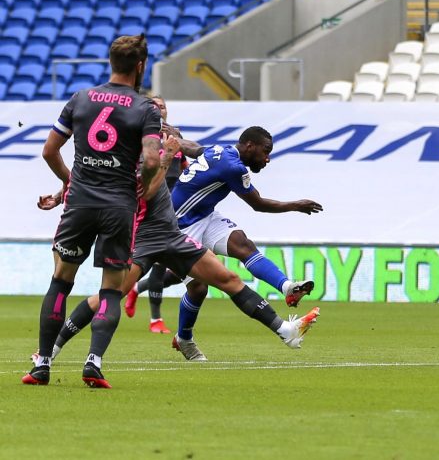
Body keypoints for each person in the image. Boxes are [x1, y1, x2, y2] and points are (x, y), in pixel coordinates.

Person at [41, 136, 320, 383]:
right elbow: (133, 187)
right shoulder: (133, 158)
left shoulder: (179, 146)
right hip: (154, 233)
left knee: (227, 278)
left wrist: (173, 141)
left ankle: (285, 328)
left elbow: (194, 147)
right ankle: (53, 349)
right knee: (109, 295)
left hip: (176, 231)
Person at [23, 34, 164, 388]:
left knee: (61, 279)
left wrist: (70, 182)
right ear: (141, 66)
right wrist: (144, 181)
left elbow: (49, 151)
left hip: (80, 203)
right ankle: (93, 362)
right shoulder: (145, 108)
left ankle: (42, 364)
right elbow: (150, 158)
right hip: (119, 206)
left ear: (111, 62)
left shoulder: (81, 99)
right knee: (111, 289)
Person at [168, 126, 323, 360]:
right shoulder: (233, 167)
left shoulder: (220, 150)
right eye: (266, 151)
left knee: (243, 245)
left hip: (204, 215)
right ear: (250, 146)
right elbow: (258, 204)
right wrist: (295, 205)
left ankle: (287, 287)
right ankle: (184, 338)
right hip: (179, 225)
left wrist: (178, 141)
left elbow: (195, 149)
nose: (267, 158)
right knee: (198, 288)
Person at [124, 95, 188, 334]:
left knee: (181, 270)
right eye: (155, 105)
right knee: (160, 262)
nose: (160, 109)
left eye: (163, 106)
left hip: (175, 205)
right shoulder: (142, 137)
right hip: (151, 206)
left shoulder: (175, 137)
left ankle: (137, 288)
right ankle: (155, 319)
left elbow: (184, 168)